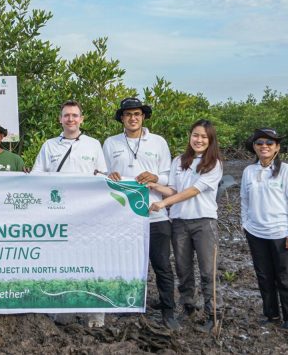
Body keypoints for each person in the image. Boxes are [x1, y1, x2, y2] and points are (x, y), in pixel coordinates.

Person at [30, 100, 106, 328]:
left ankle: (95, 314)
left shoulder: (94, 145)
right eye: (66, 115)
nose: (71, 119)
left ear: (82, 119)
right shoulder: (49, 145)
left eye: (75, 115)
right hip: (59, 215)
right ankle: (63, 311)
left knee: (91, 262)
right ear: (60, 119)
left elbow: (102, 176)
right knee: (62, 262)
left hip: (88, 215)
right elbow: (36, 175)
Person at [103, 97, 176, 329]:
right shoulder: (110, 143)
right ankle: (129, 306)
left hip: (155, 214)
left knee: (162, 264)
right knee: (127, 264)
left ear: (143, 116)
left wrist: (156, 178)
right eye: (127, 114)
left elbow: (169, 177)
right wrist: (108, 175)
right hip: (123, 216)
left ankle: (168, 310)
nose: (132, 118)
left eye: (137, 114)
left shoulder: (158, 142)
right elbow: (102, 175)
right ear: (121, 118)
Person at [147, 119, 224, 326]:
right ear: (190, 136)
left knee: (208, 271)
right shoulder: (179, 161)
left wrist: (164, 203)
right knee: (183, 270)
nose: (199, 140)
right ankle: (188, 307)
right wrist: (153, 186)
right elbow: (173, 189)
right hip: (179, 222)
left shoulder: (214, 163)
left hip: (203, 222)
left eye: (204, 137)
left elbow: (192, 191)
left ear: (210, 140)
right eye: (195, 135)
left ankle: (213, 315)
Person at [239, 127, 288, 329]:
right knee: (264, 275)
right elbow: (244, 200)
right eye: (259, 143)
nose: (264, 146)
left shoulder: (286, 170)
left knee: (285, 276)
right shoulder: (249, 171)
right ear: (254, 147)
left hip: (281, 233)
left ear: (277, 147)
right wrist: (245, 225)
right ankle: (271, 314)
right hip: (256, 233)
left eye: (269, 143)